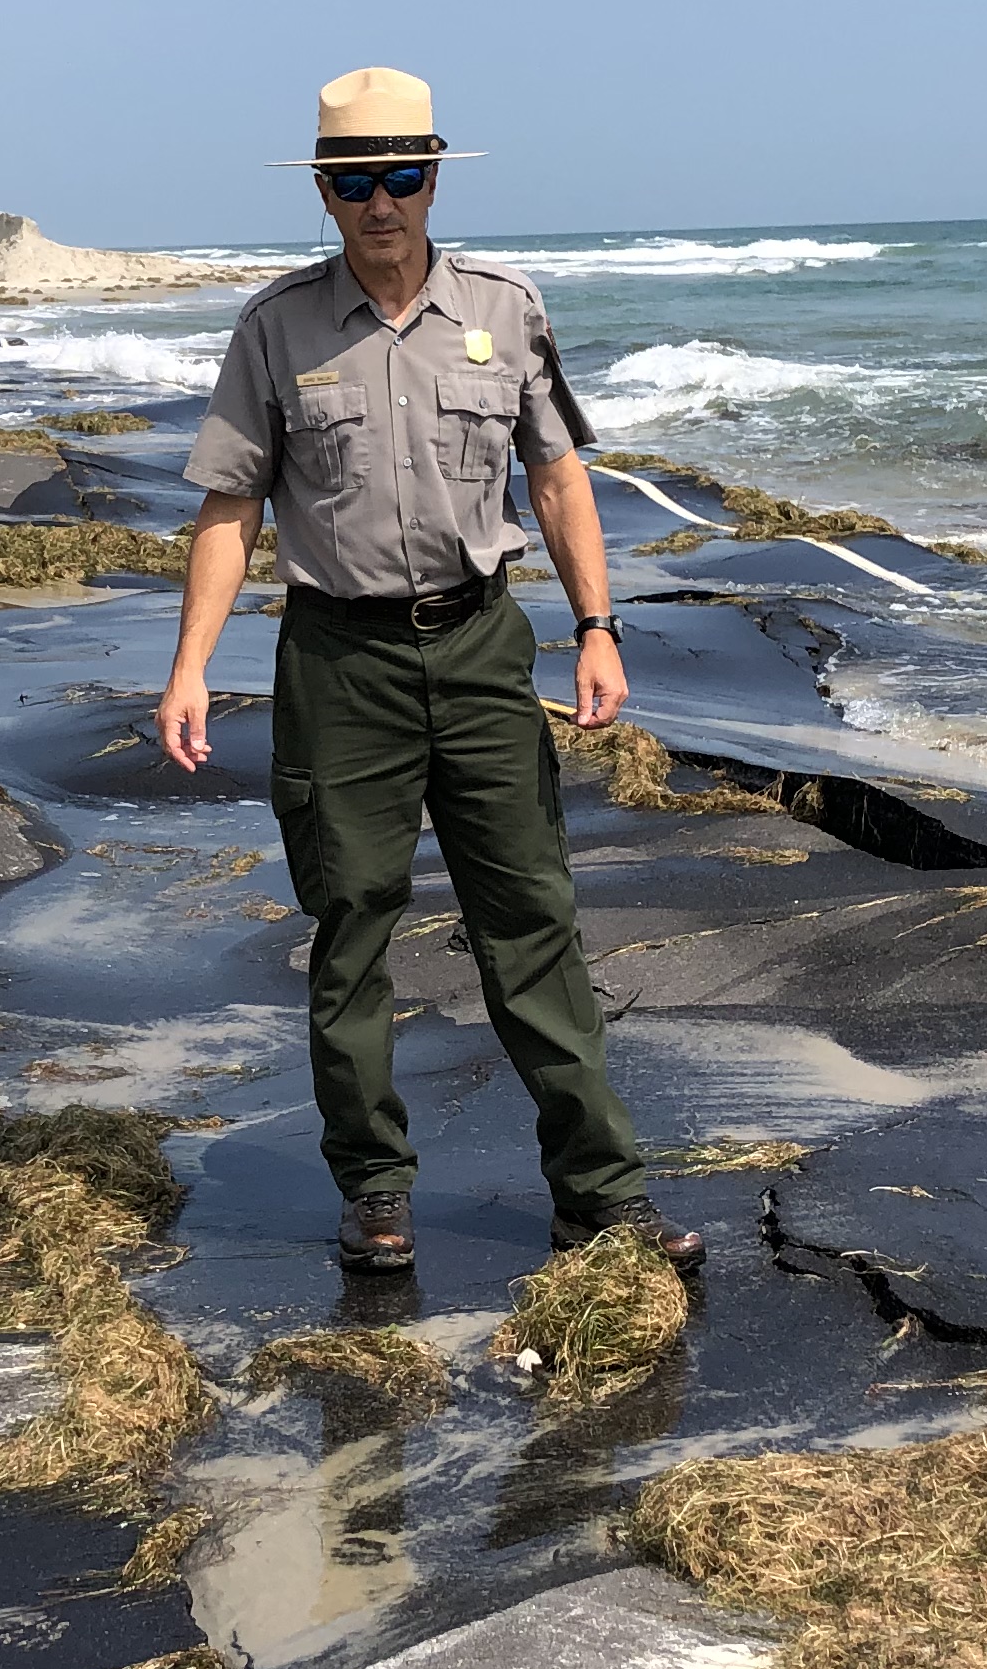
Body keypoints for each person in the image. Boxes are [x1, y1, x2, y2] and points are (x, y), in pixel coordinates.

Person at [155, 66, 700, 1276]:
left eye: (401, 176)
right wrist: (190, 667)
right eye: (355, 182)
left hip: (479, 646)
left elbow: (558, 478)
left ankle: (601, 1198)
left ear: (436, 175)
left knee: (533, 919)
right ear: (323, 189)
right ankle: (374, 1188)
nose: (380, 203)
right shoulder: (276, 329)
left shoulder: (505, 310)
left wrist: (598, 626)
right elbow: (229, 503)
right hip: (336, 662)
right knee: (350, 926)